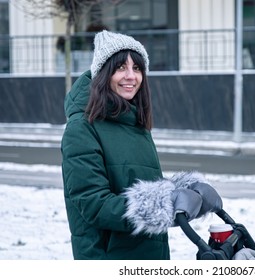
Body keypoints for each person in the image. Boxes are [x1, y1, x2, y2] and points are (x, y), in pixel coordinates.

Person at [61, 30, 224, 260]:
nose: (131, 76)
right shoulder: (82, 128)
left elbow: (138, 185)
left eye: (136, 68)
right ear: (102, 74)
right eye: (120, 68)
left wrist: (187, 189)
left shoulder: (134, 121)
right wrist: (165, 204)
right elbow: (94, 204)